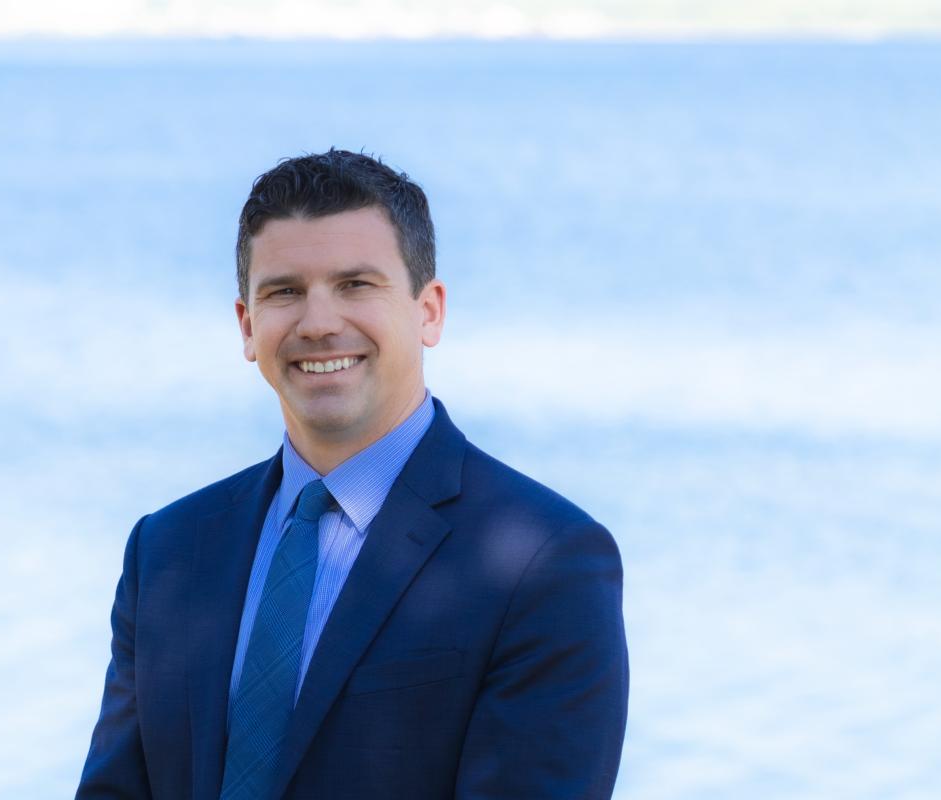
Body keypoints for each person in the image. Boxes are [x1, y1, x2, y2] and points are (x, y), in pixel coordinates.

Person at [76, 149, 628, 799]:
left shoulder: (545, 563)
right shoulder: (168, 549)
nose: (319, 323)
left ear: (429, 312)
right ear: (248, 325)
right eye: (285, 292)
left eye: (355, 285)